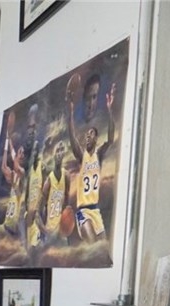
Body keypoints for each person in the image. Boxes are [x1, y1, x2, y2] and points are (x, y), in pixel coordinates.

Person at [67, 80, 116, 242]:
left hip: (95, 210)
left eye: (91, 135)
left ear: (96, 138)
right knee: (91, 243)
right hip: (83, 211)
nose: (87, 137)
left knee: (101, 249)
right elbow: (73, 139)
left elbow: (110, 139)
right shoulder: (82, 156)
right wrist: (71, 113)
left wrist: (110, 110)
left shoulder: (98, 155)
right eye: (86, 135)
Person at [41, 140, 70, 246]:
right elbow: (39, 211)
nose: (59, 153)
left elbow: (66, 203)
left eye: (62, 150)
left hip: (61, 232)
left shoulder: (66, 175)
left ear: (64, 154)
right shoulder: (49, 181)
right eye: (57, 150)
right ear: (53, 154)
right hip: (50, 231)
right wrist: (44, 231)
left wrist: (66, 222)